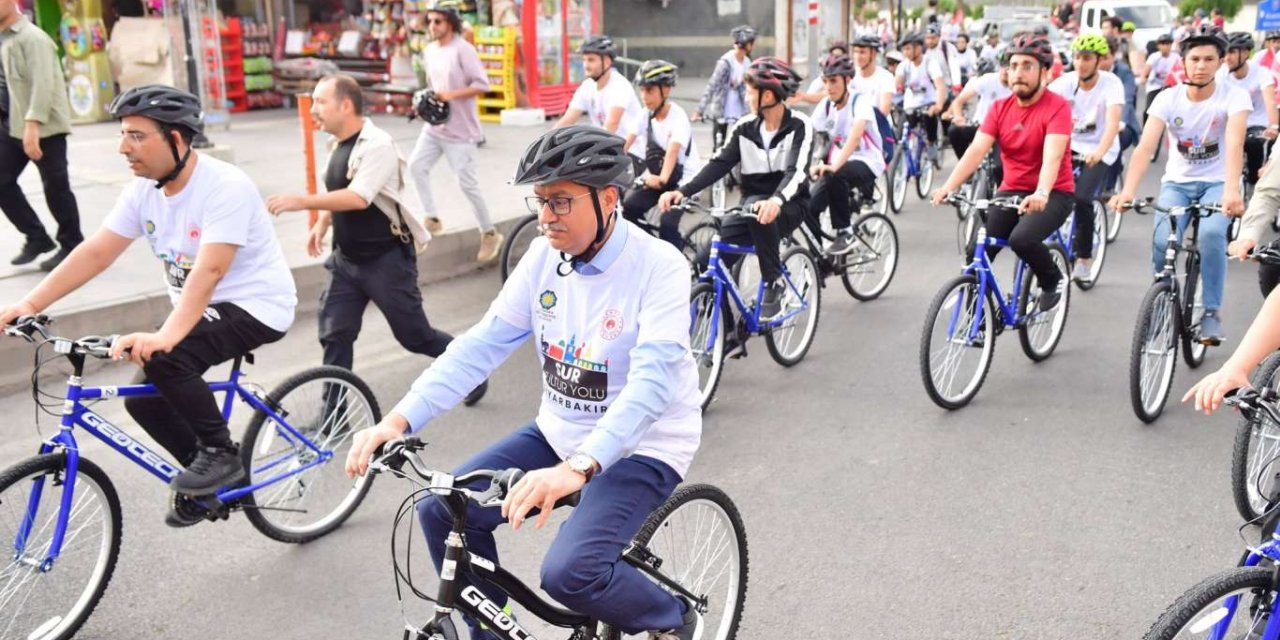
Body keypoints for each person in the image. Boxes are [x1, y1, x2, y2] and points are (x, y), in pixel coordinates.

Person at [345, 124, 704, 640]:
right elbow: (480, 346)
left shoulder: (659, 266)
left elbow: (652, 386)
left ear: (607, 199)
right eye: (539, 201)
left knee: (568, 574)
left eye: (560, 202)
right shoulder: (543, 259)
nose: (544, 217)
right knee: (440, 510)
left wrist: (578, 468)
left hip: (643, 446)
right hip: (559, 431)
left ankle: (671, 617)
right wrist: (397, 419)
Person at [0, 86, 297, 519]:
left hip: (256, 305)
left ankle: (221, 453)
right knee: (143, 399)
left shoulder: (224, 186)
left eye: (137, 136)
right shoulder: (143, 191)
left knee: (166, 358)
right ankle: (210, 486)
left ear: (176, 139)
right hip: (201, 309)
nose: (124, 148)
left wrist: (166, 336)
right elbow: (97, 251)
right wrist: (29, 303)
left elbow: (209, 272)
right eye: (123, 134)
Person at [264, 75, 488, 406]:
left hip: (386, 262)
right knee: (335, 335)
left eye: (320, 102)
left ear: (345, 105)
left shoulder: (378, 145)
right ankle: (334, 416)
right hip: (347, 261)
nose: (313, 110)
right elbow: (337, 189)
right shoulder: (338, 144)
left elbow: (358, 197)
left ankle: (471, 372)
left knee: (416, 337)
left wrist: (302, 202)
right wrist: (322, 224)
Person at [1110, 25, 1249, 345]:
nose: (1201, 65)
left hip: (1217, 183)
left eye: (1209, 59)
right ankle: (1162, 298)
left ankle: (1211, 312)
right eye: (1195, 58)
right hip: (1178, 183)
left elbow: (1235, 140)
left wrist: (1231, 190)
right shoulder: (1167, 98)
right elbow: (1145, 148)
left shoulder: (1234, 96)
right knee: (1162, 240)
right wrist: (1128, 192)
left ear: (1220, 62)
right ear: (1183, 62)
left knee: (1213, 235)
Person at [658, 57, 812, 320]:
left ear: (768, 95)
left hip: (789, 204)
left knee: (762, 217)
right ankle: (727, 333)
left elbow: (795, 172)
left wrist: (775, 201)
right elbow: (719, 164)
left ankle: (774, 282)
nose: (746, 97)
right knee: (706, 262)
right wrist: (683, 191)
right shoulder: (744, 127)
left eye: (750, 91)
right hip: (752, 203)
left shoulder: (799, 125)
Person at [931, 34, 1074, 312]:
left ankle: (1052, 279)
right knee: (977, 251)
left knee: (1022, 239)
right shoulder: (999, 108)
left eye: (1027, 66)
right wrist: (948, 187)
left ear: (1044, 72)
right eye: (1014, 65)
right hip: (1011, 189)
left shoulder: (1057, 107)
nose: (1017, 73)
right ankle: (977, 320)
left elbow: (1053, 156)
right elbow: (976, 151)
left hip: (1054, 192)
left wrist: (1042, 192)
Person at [408, 2, 501, 263]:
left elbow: (482, 84)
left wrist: (451, 95)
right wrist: (423, 104)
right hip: (435, 126)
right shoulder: (428, 51)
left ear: (450, 23)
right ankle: (432, 219)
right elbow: (432, 85)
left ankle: (489, 233)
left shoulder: (463, 50)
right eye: (430, 21)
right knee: (416, 166)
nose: (432, 26)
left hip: (462, 131)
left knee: (467, 184)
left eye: (438, 21)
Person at [0, 0, 82, 271]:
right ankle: (37, 237)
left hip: (43, 127)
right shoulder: (4, 39)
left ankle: (73, 246)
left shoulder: (33, 38)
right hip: (12, 125)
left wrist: (32, 126)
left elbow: (43, 84)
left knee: (56, 187)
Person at [1048, 34, 1124, 283]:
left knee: (1082, 198)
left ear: (1100, 60)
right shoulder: (1064, 83)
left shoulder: (1111, 84)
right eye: (1077, 57)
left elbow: (1112, 124)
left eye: (1087, 58)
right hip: (1069, 146)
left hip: (1100, 149)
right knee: (1046, 189)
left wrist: (1099, 153)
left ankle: (1083, 257)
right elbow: (1043, 110)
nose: (1081, 63)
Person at [807, 55, 885, 255]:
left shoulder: (860, 101)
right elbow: (807, 132)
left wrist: (834, 166)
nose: (829, 86)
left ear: (847, 80)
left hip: (868, 161)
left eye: (834, 81)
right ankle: (819, 263)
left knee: (836, 173)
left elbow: (855, 136)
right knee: (809, 209)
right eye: (825, 81)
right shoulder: (826, 105)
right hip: (838, 165)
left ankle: (846, 232)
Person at [621, 60, 702, 249]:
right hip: (661, 178)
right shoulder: (645, 114)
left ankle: (675, 263)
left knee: (667, 222)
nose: (643, 96)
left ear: (665, 90)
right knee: (629, 208)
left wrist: (661, 179)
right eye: (641, 90)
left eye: (649, 90)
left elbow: (672, 152)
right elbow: (625, 144)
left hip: (684, 181)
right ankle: (653, 250)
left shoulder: (678, 117)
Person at [556, 35, 644, 159]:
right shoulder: (587, 86)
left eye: (591, 60)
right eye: (584, 60)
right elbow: (567, 120)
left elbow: (611, 125)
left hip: (631, 152)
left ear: (607, 62)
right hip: (606, 149)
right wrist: (546, 143)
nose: (586, 65)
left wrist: (587, 150)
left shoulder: (619, 86)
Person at [1218, 32, 1279, 186]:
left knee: (1254, 147)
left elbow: (1270, 102)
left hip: (1254, 123)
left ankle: (1253, 181)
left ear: (1245, 53)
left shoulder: (1261, 73)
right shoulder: (1221, 73)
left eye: (1232, 52)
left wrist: (1273, 126)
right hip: (1230, 123)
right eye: (1225, 52)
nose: (1227, 57)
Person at [693, 25, 756, 153]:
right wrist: (699, 110)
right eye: (751, 43)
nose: (752, 46)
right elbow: (712, 85)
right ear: (745, 44)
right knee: (719, 145)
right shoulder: (726, 62)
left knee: (740, 143)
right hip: (723, 107)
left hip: (740, 108)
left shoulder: (747, 63)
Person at [946, 56, 1011, 160]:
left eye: (1010, 67)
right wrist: (959, 117)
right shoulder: (988, 79)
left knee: (998, 168)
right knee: (954, 131)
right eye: (1003, 65)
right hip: (981, 126)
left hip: (1003, 133)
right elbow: (958, 101)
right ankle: (966, 167)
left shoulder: (1020, 87)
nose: (1005, 70)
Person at [896, 32, 947, 163]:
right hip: (910, 105)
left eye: (908, 48)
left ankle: (931, 144)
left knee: (929, 118)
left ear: (918, 48)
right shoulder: (904, 66)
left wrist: (938, 105)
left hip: (927, 102)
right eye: (904, 49)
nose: (906, 52)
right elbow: (897, 84)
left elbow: (940, 86)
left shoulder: (930, 63)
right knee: (900, 132)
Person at [850, 34, 896, 115]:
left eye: (862, 52)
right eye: (855, 52)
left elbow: (884, 111)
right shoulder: (850, 76)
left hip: (878, 125)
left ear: (873, 54)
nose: (857, 56)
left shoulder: (886, 78)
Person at [1141, 33, 1179, 124]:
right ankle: (1145, 128)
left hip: (1170, 87)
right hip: (1155, 86)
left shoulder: (1176, 57)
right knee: (1149, 109)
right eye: (1163, 44)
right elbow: (1146, 69)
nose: (1166, 46)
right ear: (1158, 45)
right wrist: (1143, 77)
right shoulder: (1154, 57)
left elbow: (1180, 71)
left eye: (1168, 44)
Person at [924, 23, 963, 95]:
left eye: (933, 38)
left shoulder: (947, 47)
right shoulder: (923, 50)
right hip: (928, 89)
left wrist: (956, 84)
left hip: (946, 87)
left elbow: (954, 67)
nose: (930, 41)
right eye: (928, 38)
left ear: (939, 37)